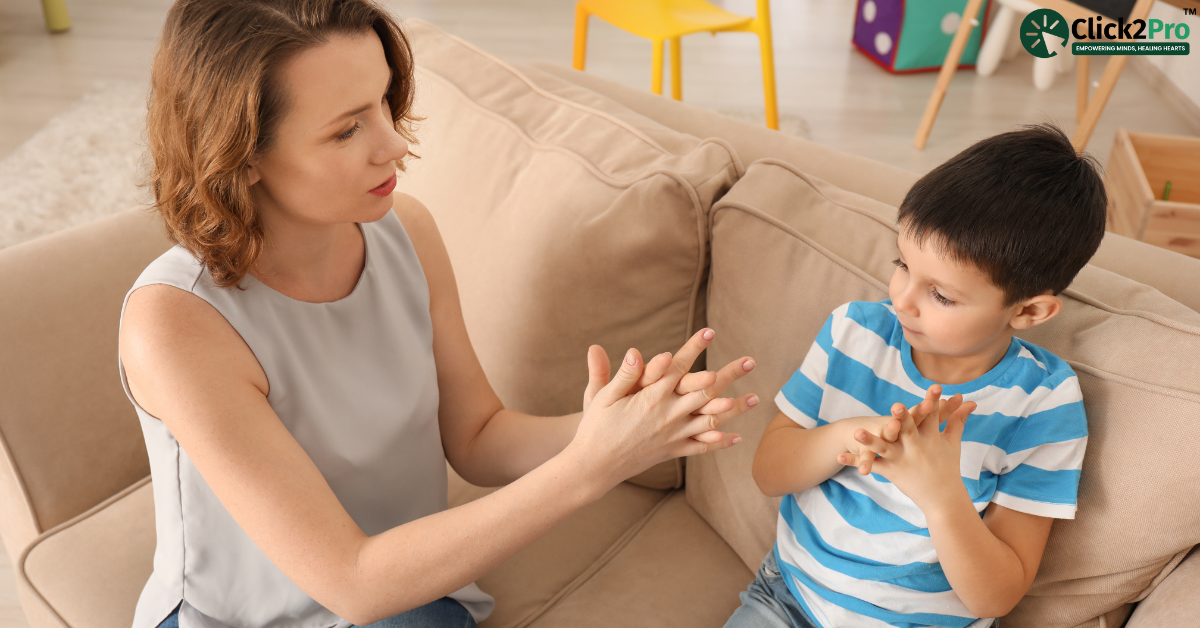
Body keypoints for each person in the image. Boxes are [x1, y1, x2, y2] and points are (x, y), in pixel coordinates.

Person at [117, 1, 759, 627]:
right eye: (347, 129)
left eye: (383, 102)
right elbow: (352, 582)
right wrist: (588, 470)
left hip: (407, 584)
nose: (394, 144)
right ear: (242, 154)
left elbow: (477, 436)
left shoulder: (406, 233)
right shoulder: (178, 323)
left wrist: (609, 427)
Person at [729, 124, 1107, 628]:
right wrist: (848, 437)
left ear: (1030, 312)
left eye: (942, 296)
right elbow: (768, 473)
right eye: (902, 264)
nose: (901, 300)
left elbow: (995, 598)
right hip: (789, 597)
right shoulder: (854, 332)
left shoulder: (1043, 404)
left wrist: (939, 493)